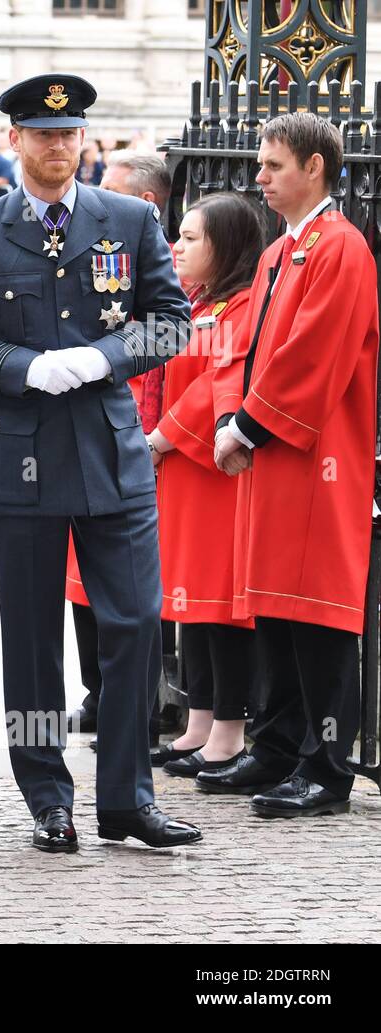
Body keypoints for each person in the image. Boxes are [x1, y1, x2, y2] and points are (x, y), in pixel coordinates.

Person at [0, 74, 202, 852]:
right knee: (33, 641)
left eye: (69, 134)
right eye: (42, 134)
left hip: (111, 451)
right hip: (22, 457)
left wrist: (101, 356)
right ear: (14, 139)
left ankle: (125, 796)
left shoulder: (129, 218)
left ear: (84, 140)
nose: (57, 146)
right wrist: (22, 367)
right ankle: (48, 793)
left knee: (134, 622)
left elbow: (171, 321)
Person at [198, 112, 379, 816]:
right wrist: (234, 418)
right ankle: (276, 745)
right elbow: (253, 352)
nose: (260, 179)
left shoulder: (343, 247)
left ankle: (326, 765)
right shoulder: (281, 252)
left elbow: (314, 353)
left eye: (274, 166)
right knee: (275, 603)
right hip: (276, 450)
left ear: (315, 167)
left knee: (321, 613)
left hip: (319, 450)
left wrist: (247, 424)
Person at [148, 192, 264, 778]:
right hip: (186, 474)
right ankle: (199, 721)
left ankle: (228, 731)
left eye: (192, 238)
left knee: (220, 606)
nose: (178, 248)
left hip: (211, 474)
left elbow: (214, 387)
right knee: (191, 602)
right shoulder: (204, 305)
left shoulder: (240, 307)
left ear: (227, 246)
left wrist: (163, 437)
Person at [64, 151, 177, 738]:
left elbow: (166, 334)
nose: (96, 196)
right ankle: (97, 694)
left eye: (110, 187)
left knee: (135, 602)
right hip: (81, 438)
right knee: (80, 587)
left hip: (137, 444)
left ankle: (141, 715)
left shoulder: (138, 241)